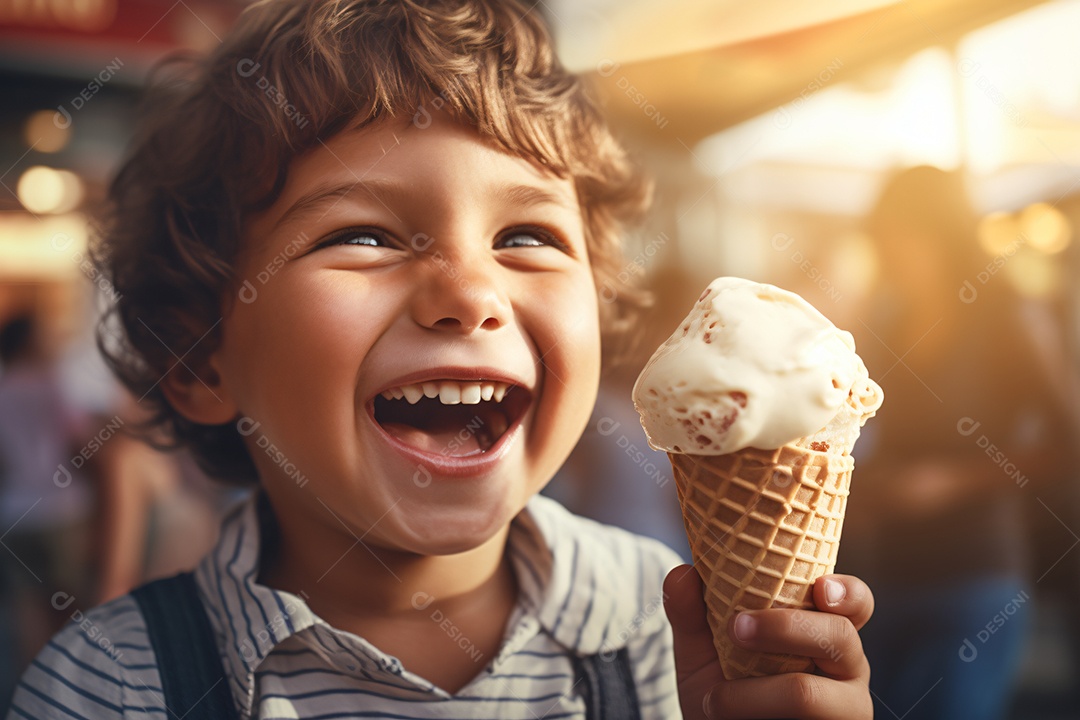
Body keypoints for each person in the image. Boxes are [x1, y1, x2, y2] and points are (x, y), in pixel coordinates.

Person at [8, 2, 874, 718]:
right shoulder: (112, 687)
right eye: (363, 235)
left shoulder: (669, 630)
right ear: (200, 359)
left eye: (526, 236)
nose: (469, 291)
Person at [843, 166, 1074, 720]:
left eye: (899, 235)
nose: (888, 251)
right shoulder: (889, 320)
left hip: (975, 576)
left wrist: (952, 483)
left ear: (938, 234)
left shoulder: (1008, 318)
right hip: (887, 578)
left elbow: (1070, 444)